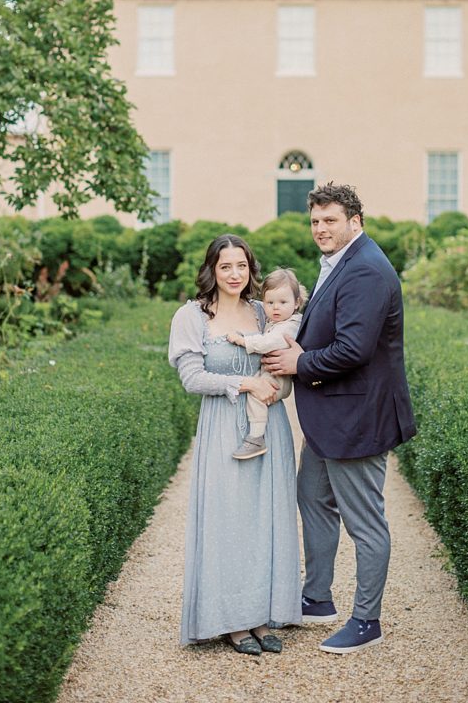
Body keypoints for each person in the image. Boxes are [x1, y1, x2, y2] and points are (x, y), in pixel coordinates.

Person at [264, 182, 417, 655]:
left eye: (330, 220)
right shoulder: (343, 262)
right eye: (315, 221)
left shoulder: (367, 269)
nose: (320, 229)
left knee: (366, 524)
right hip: (331, 418)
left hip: (358, 418)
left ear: (355, 221)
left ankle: (367, 621)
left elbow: (353, 349)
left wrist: (297, 363)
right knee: (310, 494)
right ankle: (317, 597)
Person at [168, 235, 302, 655]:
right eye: (225, 266)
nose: (234, 274)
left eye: (241, 266)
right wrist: (244, 383)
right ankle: (230, 620)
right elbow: (192, 379)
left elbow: (286, 367)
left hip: (270, 428)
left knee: (266, 518)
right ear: (212, 269)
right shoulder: (192, 316)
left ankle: (262, 615)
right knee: (228, 521)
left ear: (250, 270)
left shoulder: (266, 312)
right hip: (223, 427)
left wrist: (275, 390)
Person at [227, 268, 306, 460]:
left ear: (296, 303)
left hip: (277, 378)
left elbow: (267, 343)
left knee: (256, 395)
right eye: (269, 302)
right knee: (253, 386)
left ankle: (256, 436)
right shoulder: (277, 322)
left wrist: (242, 341)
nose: (275, 308)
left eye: (282, 302)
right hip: (273, 373)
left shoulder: (290, 325)